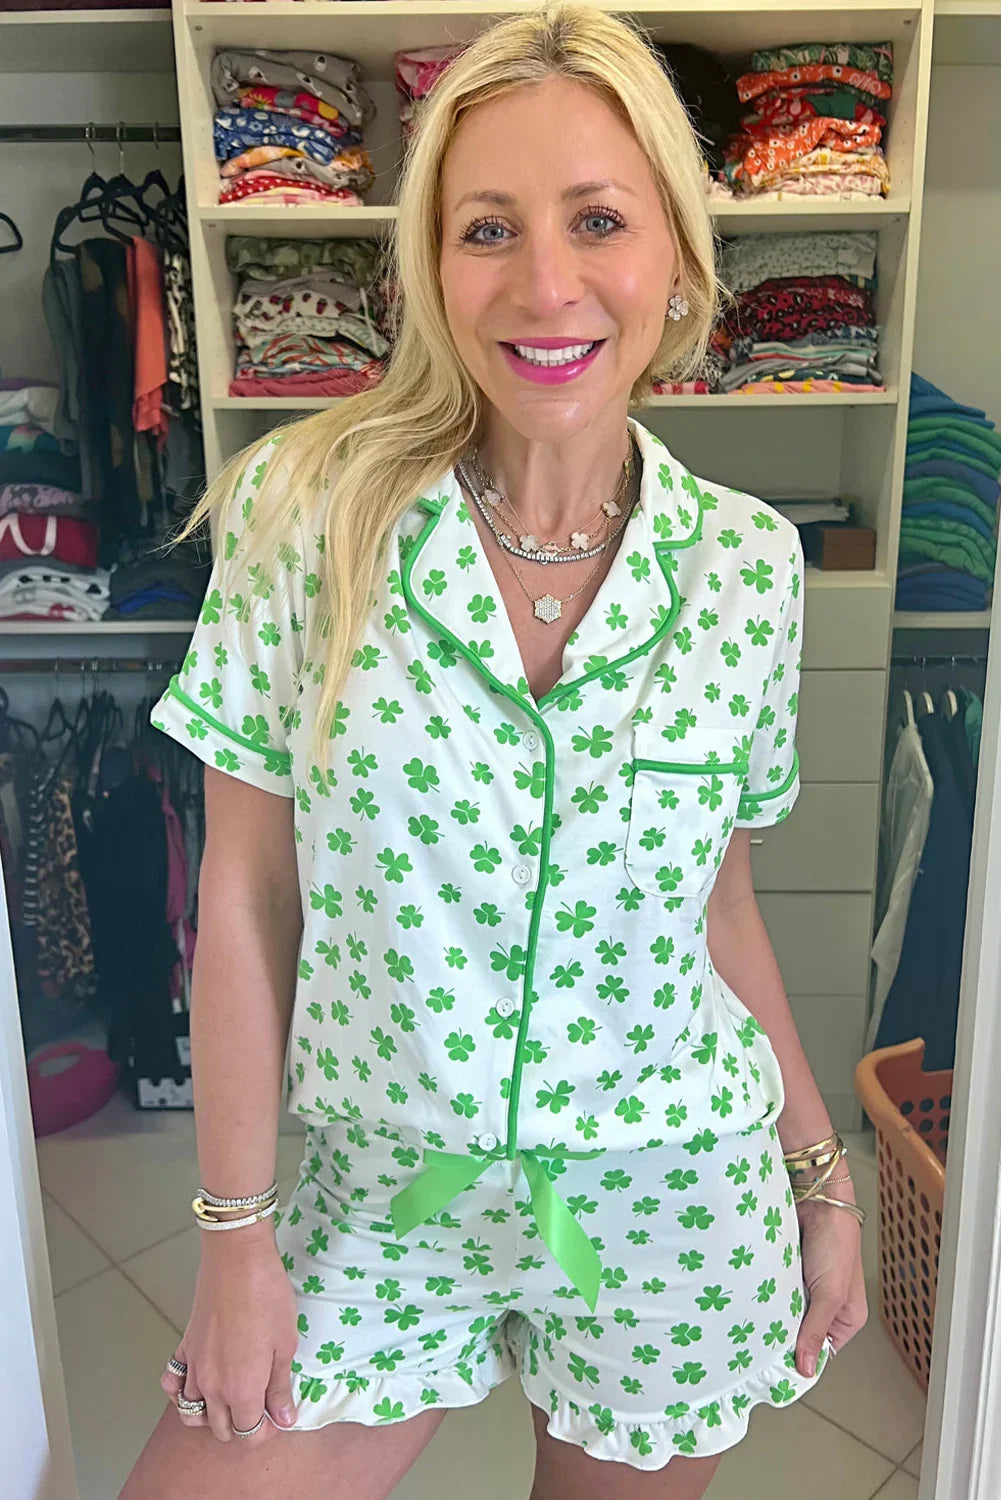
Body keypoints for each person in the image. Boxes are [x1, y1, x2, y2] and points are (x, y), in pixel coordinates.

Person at [120, 4, 867, 1495]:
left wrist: (818, 1175)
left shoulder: (744, 567)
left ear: (672, 258)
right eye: (485, 228)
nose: (544, 284)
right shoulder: (303, 515)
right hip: (378, 1191)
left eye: (597, 219)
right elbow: (247, 906)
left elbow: (716, 910)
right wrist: (233, 1240)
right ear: (426, 264)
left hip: (669, 1193)